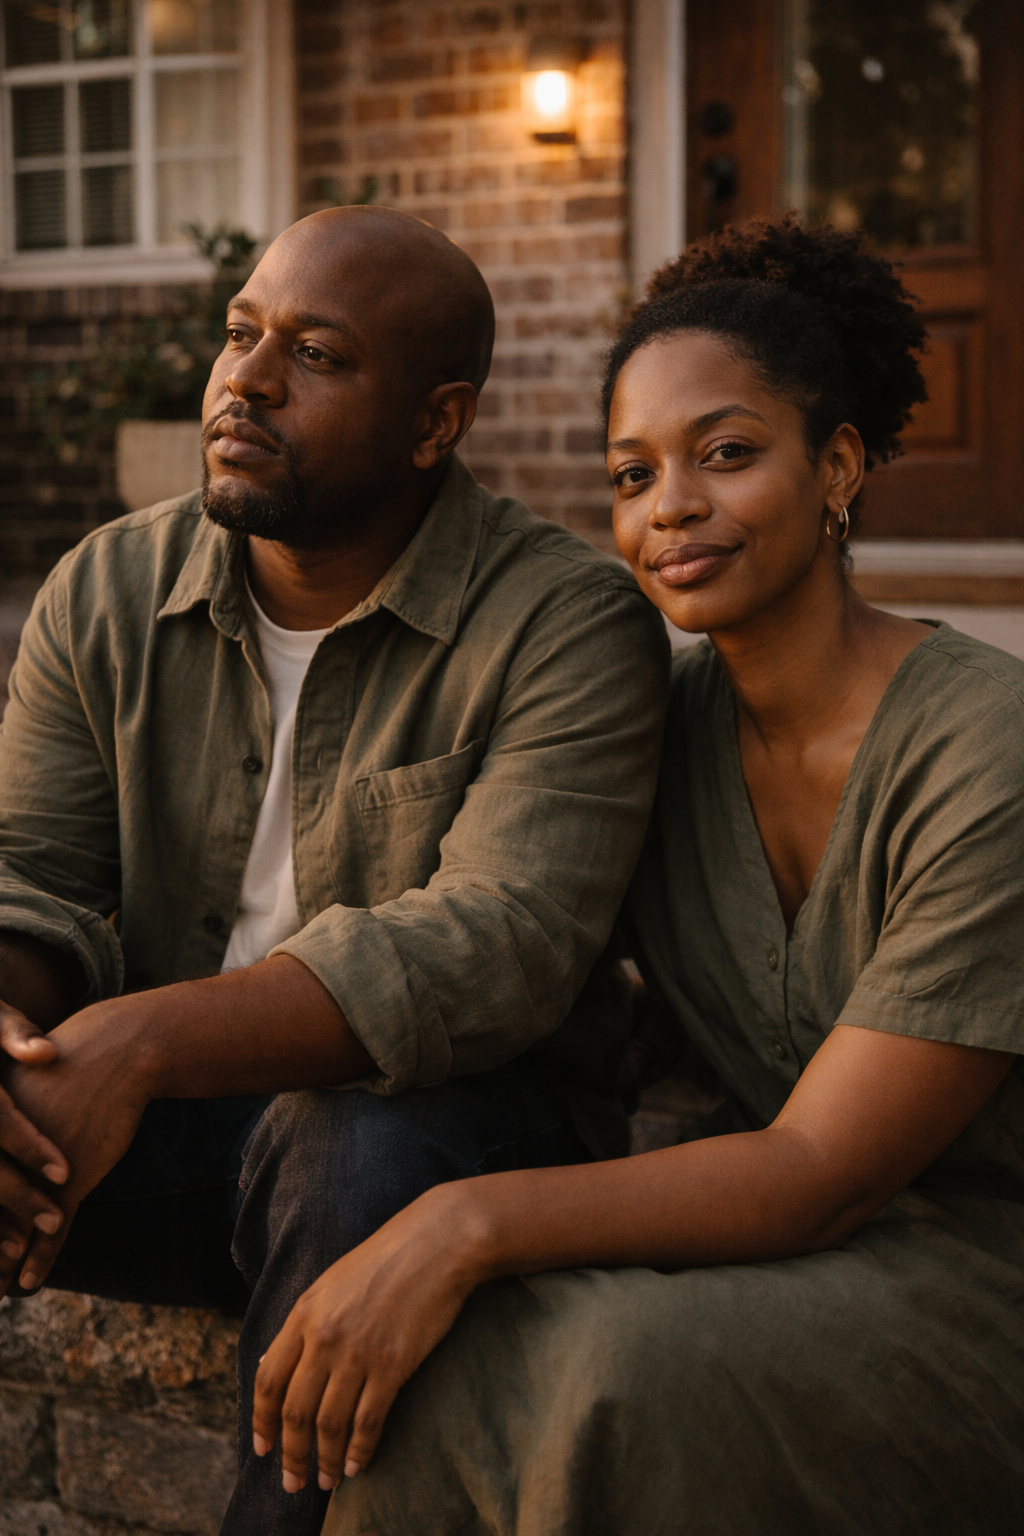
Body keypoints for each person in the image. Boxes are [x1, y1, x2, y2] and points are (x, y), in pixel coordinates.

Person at [249, 217, 1024, 1534]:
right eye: (629, 474)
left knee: (600, 1370)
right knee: (454, 1358)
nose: (669, 507)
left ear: (837, 466)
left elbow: (824, 1168)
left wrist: (460, 1224)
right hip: (806, 1245)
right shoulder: (652, 728)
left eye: (726, 455)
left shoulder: (982, 745)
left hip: (974, 1263)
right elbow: (496, 935)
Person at [0, 206, 669, 1534]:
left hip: (439, 1137)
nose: (245, 378)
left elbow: (498, 944)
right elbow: (33, 876)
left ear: (436, 423)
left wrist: (136, 1044)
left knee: (348, 1146)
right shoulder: (108, 592)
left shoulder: (564, 625)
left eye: (316, 355)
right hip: (164, 1139)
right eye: (242, 333)